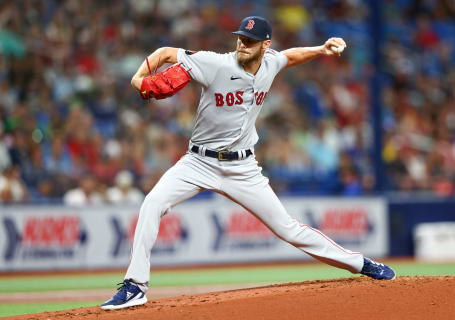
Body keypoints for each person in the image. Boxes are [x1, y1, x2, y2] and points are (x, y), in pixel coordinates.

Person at [101, 16, 395, 310]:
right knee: (152, 203)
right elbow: (165, 52)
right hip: (197, 162)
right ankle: (135, 286)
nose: (243, 43)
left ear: (266, 46)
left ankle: (361, 263)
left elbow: (290, 56)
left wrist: (321, 49)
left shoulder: (271, 62)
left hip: (242, 168)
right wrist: (138, 76)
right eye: (241, 37)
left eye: (251, 41)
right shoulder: (213, 63)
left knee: (288, 229)